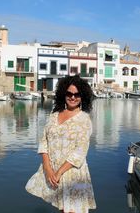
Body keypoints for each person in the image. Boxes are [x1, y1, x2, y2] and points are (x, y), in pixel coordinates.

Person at [25, 75, 96, 213]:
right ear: (64, 94)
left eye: (77, 94)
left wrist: (58, 173)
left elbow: (80, 152)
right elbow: (44, 140)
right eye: (69, 93)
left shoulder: (84, 120)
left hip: (72, 174)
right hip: (52, 171)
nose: (73, 97)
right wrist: (47, 167)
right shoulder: (54, 115)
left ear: (82, 97)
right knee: (62, 209)